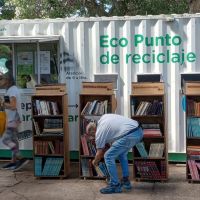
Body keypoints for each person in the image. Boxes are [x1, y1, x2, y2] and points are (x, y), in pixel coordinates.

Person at [86, 113, 143, 194]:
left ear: (94, 131)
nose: (93, 137)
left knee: (108, 156)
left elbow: (99, 153)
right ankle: (126, 181)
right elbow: (114, 134)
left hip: (130, 134)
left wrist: (95, 162)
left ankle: (115, 185)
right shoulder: (103, 118)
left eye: (92, 135)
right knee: (121, 154)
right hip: (139, 131)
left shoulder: (99, 132)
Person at [0, 72, 29, 171]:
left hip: (14, 119)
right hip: (12, 119)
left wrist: (3, 103)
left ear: (7, 80)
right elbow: (8, 105)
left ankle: (21, 158)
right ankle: (13, 161)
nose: (0, 81)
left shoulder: (12, 90)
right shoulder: (9, 90)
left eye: (1, 79)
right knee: (13, 141)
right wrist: (3, 104)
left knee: (5, 140)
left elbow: (12, 106)